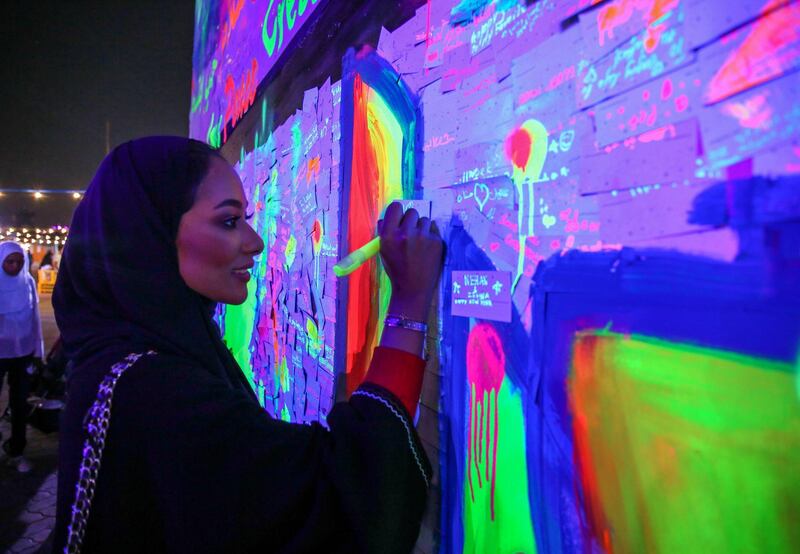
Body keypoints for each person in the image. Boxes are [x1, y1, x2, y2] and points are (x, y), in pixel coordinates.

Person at [52, 137, 443, 553]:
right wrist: (409, 302)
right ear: (151, 235)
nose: (255, 242)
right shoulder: (155, 393)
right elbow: (340, 497)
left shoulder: (118, 356)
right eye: (228, 221)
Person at [0, 240, 44, 473]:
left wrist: (38, 351)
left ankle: (17, 451)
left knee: (19, 405)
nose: (15, 265)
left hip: (23, 353)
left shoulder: (27, 282)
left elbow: (35, 319)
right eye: (10, 261)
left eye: (18, 261)